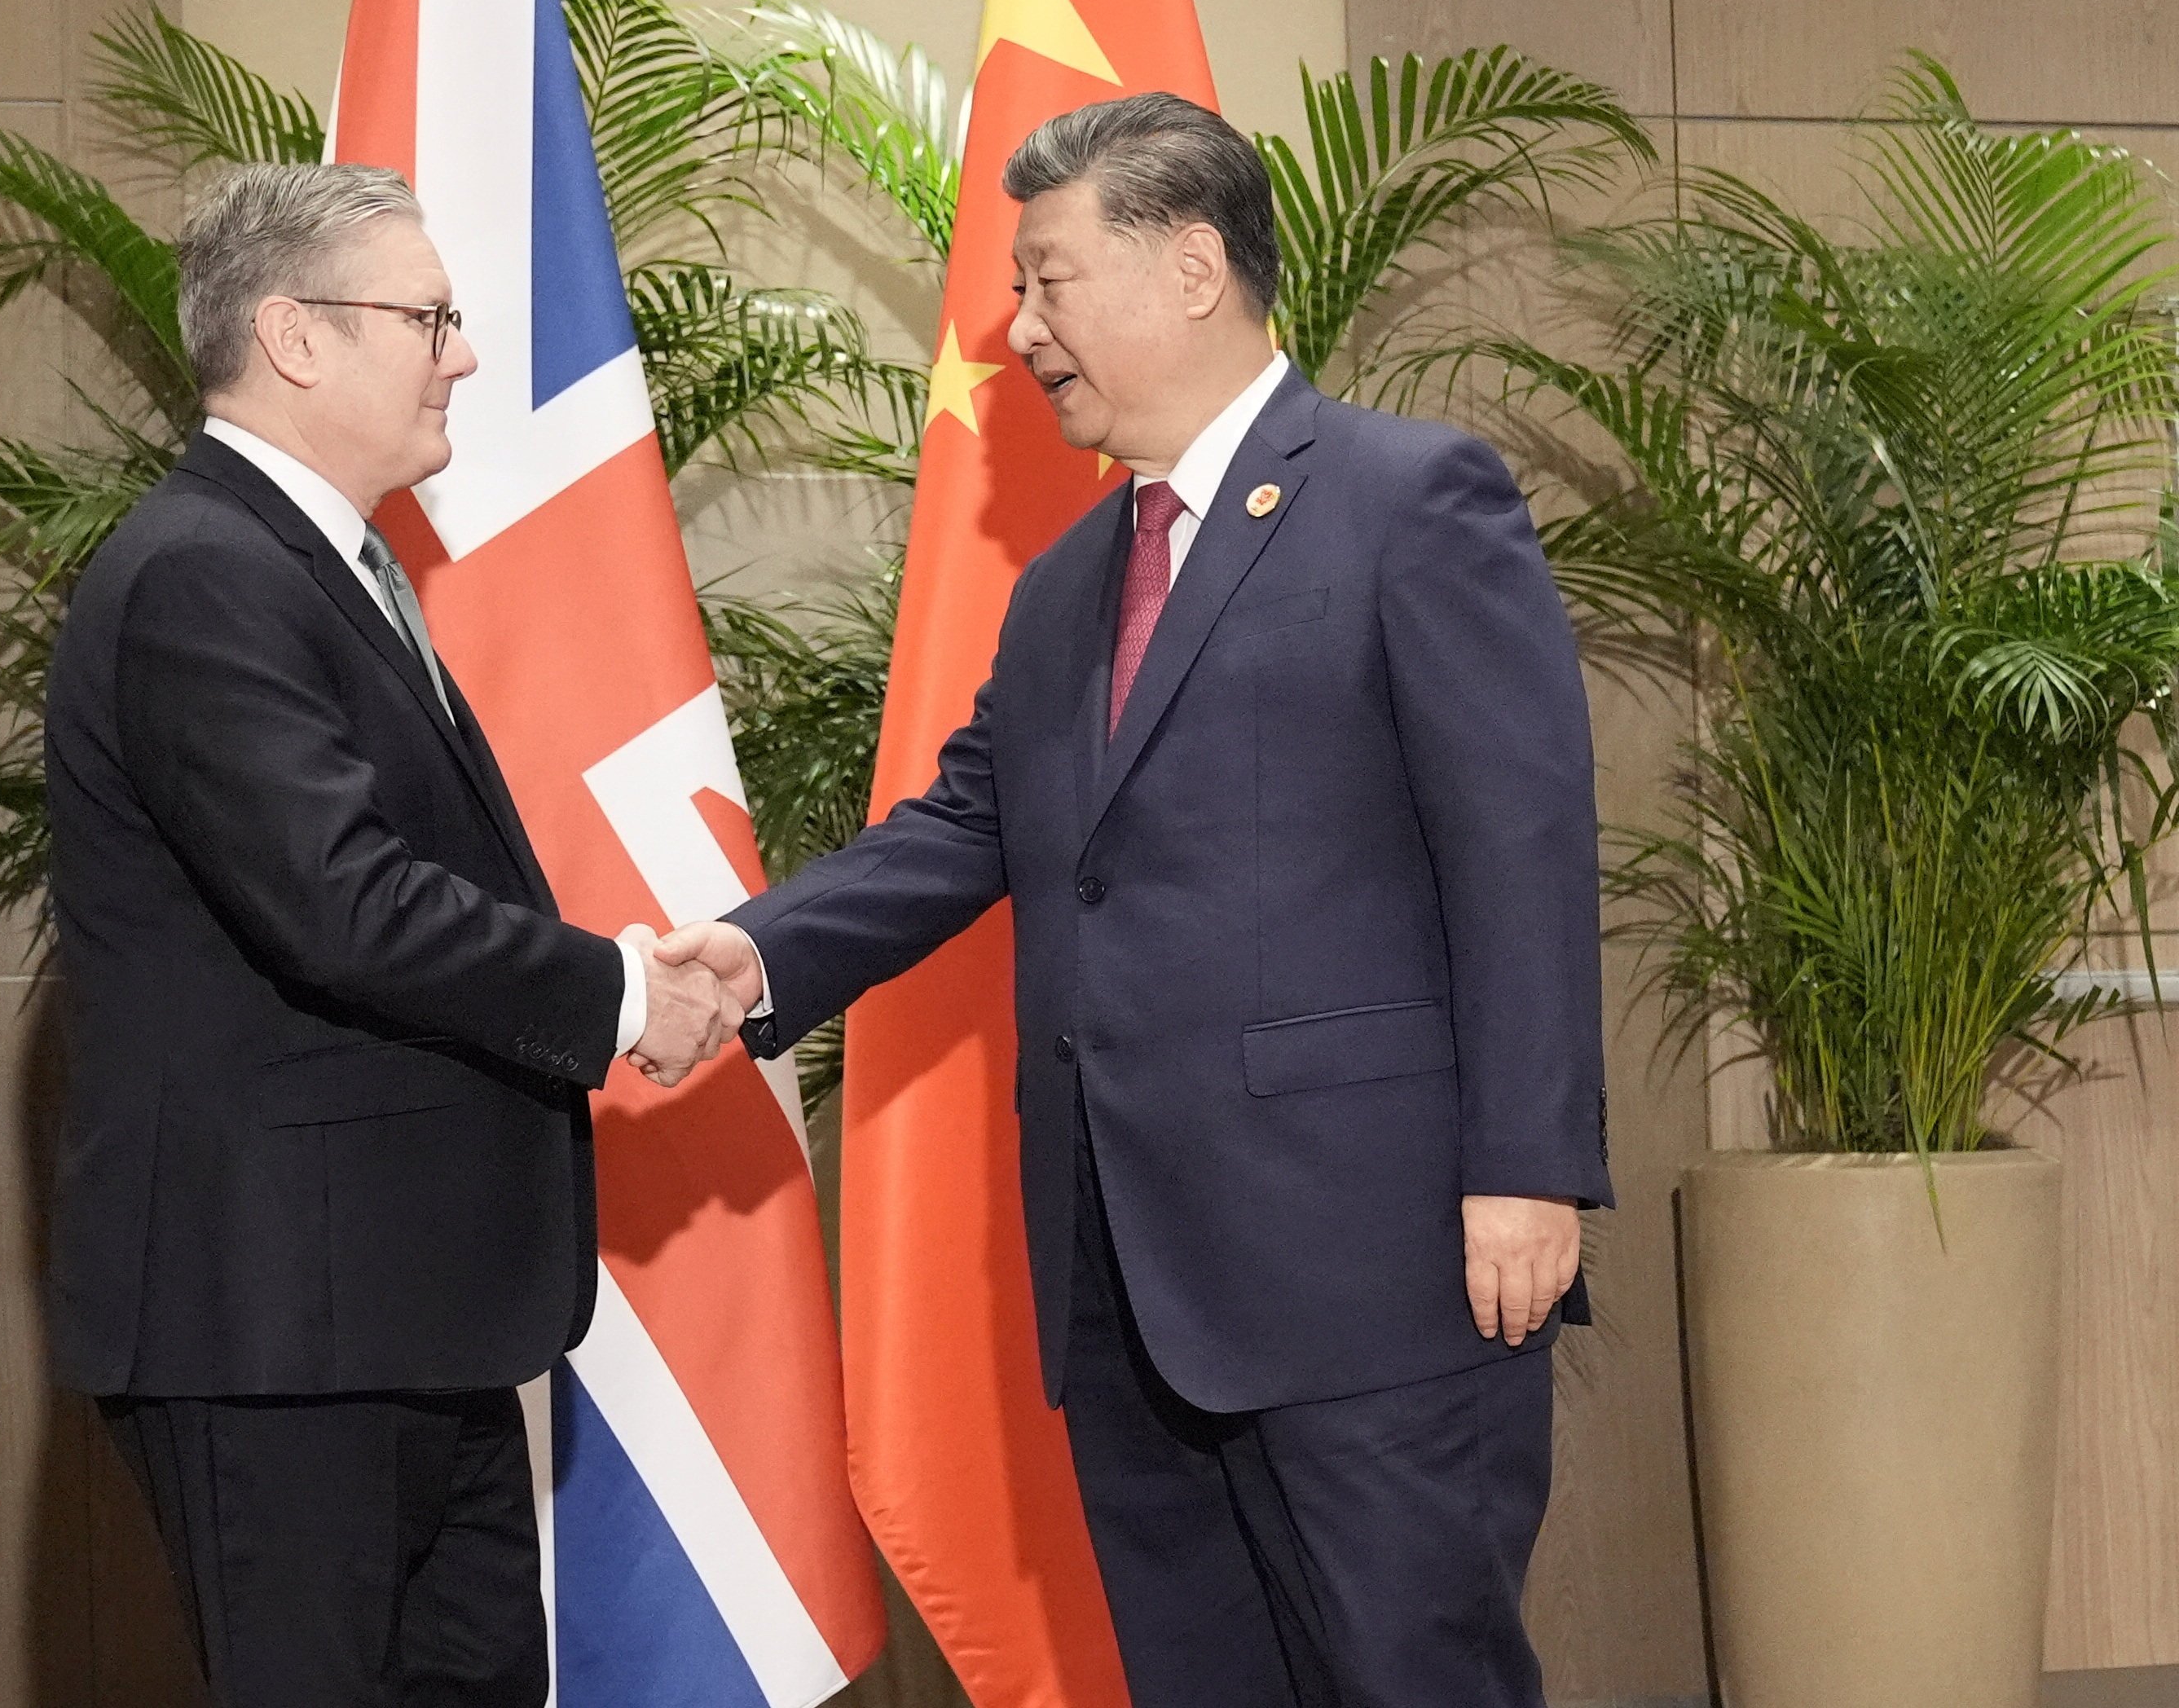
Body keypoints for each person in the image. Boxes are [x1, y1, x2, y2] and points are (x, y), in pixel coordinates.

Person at [658, 94, 1613, 1707]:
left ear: (1188, 266)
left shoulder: (1409, 499)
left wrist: (1526, 1166)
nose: (1016, 329)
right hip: (1125, 1274)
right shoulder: (1061, 588)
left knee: (1411, 1676)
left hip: (1367, 1264)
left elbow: (1515, 841)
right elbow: (969, 823)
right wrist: (751, 955)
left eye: (1045, 280)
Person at [42, 162, 739, 1708]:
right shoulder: (202, 576)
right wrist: (623, 992)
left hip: (397, 1321)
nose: (466, 354)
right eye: (428, 317)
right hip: (280, 1335)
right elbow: (345, 905)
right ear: (293, 338)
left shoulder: (317, 566)